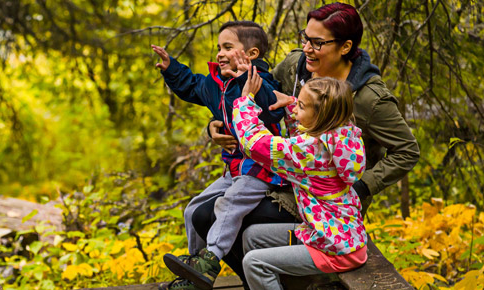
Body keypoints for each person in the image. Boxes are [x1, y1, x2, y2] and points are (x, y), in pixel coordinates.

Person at [197, 2, 421, 287]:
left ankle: (291, 280)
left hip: (326, 201)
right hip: (282, 174)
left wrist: (362, 186)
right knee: (206, 214)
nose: (307, 48)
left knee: (216, 217)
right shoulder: (295, 68)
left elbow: (407, 151)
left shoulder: (369, 98)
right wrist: (218, 125)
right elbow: (264, 96)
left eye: (317, 43)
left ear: (345, 46)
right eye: (305, 38)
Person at [151, 21, 288, 290]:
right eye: (218, 48)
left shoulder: (260, 83)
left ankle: (209, 260)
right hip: (235, 168)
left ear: (251, 55)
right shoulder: (217, 84)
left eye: (228, 47)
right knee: (193, 209)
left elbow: (273, 110)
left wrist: (244, 78)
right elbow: (192, 86)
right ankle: (193, 269)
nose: (220, 54)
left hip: (262, 169)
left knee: (227, 207)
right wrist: (172, 69)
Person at [235, 70, 367, 290]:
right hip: (337, 234)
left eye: (302, 107)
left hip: (336, 250)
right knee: (253, 236)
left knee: (254, 262)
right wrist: (291, 104)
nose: (296, 109)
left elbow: (254, 144)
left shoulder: (311, 152)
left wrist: (245, 102)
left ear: (321, 116)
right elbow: (303, 137)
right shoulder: (340, 134)